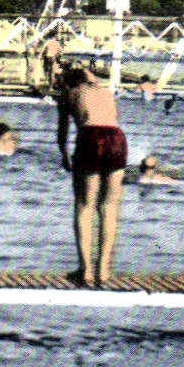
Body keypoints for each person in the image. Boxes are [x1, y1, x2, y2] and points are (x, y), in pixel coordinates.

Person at [57, 66, 127, 286]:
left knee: (84, 206)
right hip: (116, 137)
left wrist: (65, 154)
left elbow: (62, 132)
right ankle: (104, 269)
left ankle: (85, 269)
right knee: (109, 207)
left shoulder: (69, 94)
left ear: (68, 83)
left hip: (91, 136)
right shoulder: (103, 90)